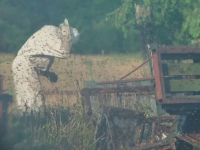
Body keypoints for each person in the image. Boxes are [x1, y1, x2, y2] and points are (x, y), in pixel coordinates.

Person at [12, 19, 80, 113]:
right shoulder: (52, 35)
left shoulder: (50, 33)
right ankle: (35, 124)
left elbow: (34, 60)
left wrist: (47, 73)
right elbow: (64, 53)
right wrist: (67, 39)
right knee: (34, 102)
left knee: (25, 102)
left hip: (22, 65)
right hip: (24, 66)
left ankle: (27, 123)